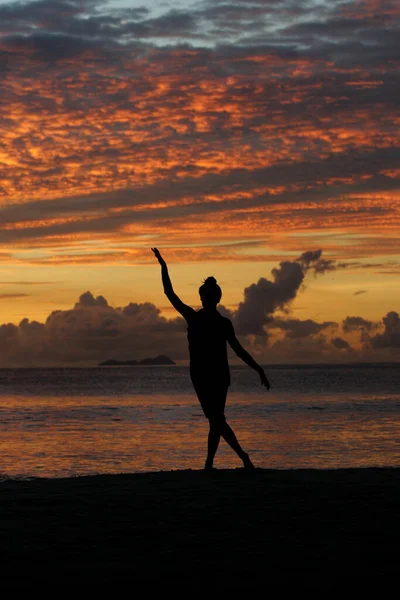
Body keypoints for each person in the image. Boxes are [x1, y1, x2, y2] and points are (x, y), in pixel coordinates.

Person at [151, 247, 270, 470]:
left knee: (216, 419)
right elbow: (239, 351)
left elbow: (170, 293)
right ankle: (210, 463)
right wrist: (258, 369)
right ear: (215, 298)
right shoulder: (217, 322)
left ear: (204, 297)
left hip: (204, 375)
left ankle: (242, 457)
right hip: (216, 375)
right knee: (216, 419)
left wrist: (163, 266)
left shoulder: (197, 318)